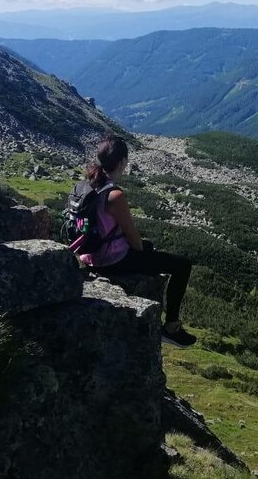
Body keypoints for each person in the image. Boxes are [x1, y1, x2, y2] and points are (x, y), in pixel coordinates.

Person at [76, 135, 197, 347]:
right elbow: (133, 239)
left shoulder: (84, 187)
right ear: (122, 162)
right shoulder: (114, 195)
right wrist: (144, 251)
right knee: (182, 264)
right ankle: (171, 327)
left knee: (150, 250)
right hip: (112, 260)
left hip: (89, 256)